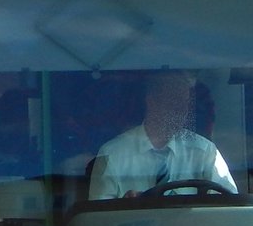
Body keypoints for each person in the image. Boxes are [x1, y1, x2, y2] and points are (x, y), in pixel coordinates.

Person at [89, 71, 236, 199]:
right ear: (151, 102)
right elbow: (98, 218)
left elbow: (230, 205)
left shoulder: (205, 152)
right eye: (174, 102)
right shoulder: (112, 154)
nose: (182, 110)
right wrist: (125, 207)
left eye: (185, 103)